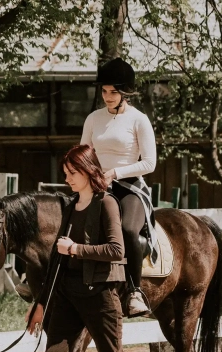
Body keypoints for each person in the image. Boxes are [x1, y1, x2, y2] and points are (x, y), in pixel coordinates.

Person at [23, 144, 144, 352]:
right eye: (65, 174)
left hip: (101, 295)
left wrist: (76, 249)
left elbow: (117, 251)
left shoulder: (108, 204)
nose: (67, 180)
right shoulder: (71, 205)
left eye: (71, 173)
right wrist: (40, 303)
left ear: (90, 172)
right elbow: (56, 261)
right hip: (66, 294)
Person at [81, 57, 157, 317]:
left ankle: (135, 291)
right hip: (98, 185)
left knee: (127, 230)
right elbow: (85, 154)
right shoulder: (93, 118)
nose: (108, 96)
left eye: (113, 92)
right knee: (66, 220)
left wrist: (116, 171)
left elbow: (149, 162)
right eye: (104, 91)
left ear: (126, 93)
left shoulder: (139, 120)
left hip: (129, 187)